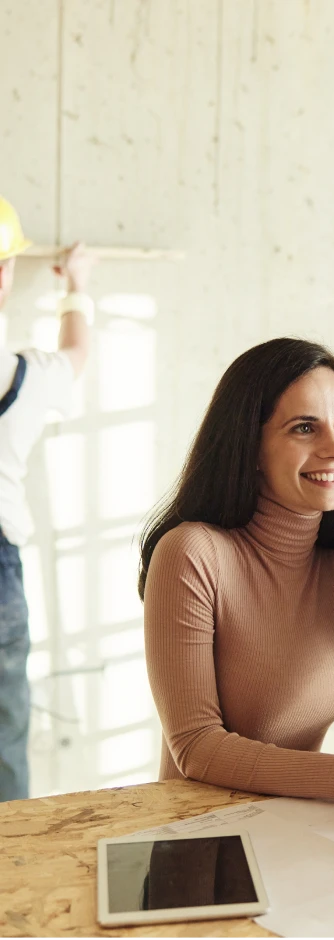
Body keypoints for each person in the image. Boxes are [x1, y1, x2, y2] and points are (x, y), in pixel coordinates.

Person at [139, 338, 334, 822]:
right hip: (198, 830)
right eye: (303, 428)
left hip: (298, 822)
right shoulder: (191, 555)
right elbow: (195, 745)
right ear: (250, 447)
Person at [0, 195, 93, 802]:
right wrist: (76, 288)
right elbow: (77, 358)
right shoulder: (24, 378)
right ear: (5, 273)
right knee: (5, 739)